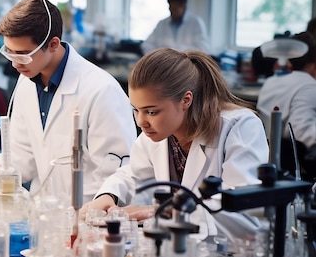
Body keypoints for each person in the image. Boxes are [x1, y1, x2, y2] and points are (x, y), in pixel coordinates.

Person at [83, 48, 269, 240]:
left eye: (152, 111)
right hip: (181, 252)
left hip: (233, 255)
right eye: (136, 110)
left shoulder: (239, 127)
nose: (141, 122)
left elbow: (243, 212)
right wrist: (108, 195)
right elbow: (132, 175)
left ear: (185, 100)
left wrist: (158, 212)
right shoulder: (159, 134)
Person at [0, 0, 137, 205]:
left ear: (53, 44)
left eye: (23, 54)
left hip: (88, 216)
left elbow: (119, 173)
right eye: (10, 53)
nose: (15, 64)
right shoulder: (27, 81)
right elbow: (25, 156)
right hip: (42, 214)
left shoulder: (102, 90)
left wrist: (92, 211)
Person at [257, 31, 316, 179]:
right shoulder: (309, 86)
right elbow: (302, 131)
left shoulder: (271, 81)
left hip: (265, 162)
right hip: (293, 171)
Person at [141, 0, 210, 54]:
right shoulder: (162, 24)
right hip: (163, 63)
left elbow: (203, 48)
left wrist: (175, 53)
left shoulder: (196, 23)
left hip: (186, 65)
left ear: (183, 6)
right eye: (170, 8)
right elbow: (147, 45)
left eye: (175, 8)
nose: (172, 12)